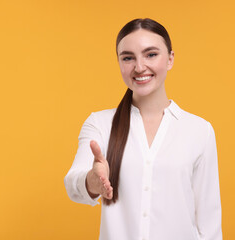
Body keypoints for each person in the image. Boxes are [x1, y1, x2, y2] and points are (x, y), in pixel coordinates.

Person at [64, 18, 223, 240]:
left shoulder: (199, 131)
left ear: (170, 59)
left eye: (151, 54)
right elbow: (73, 185)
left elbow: (209, 223)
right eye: (128, 58)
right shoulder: (99, 124)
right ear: (119, 63)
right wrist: (93, 180)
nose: (139, 67)